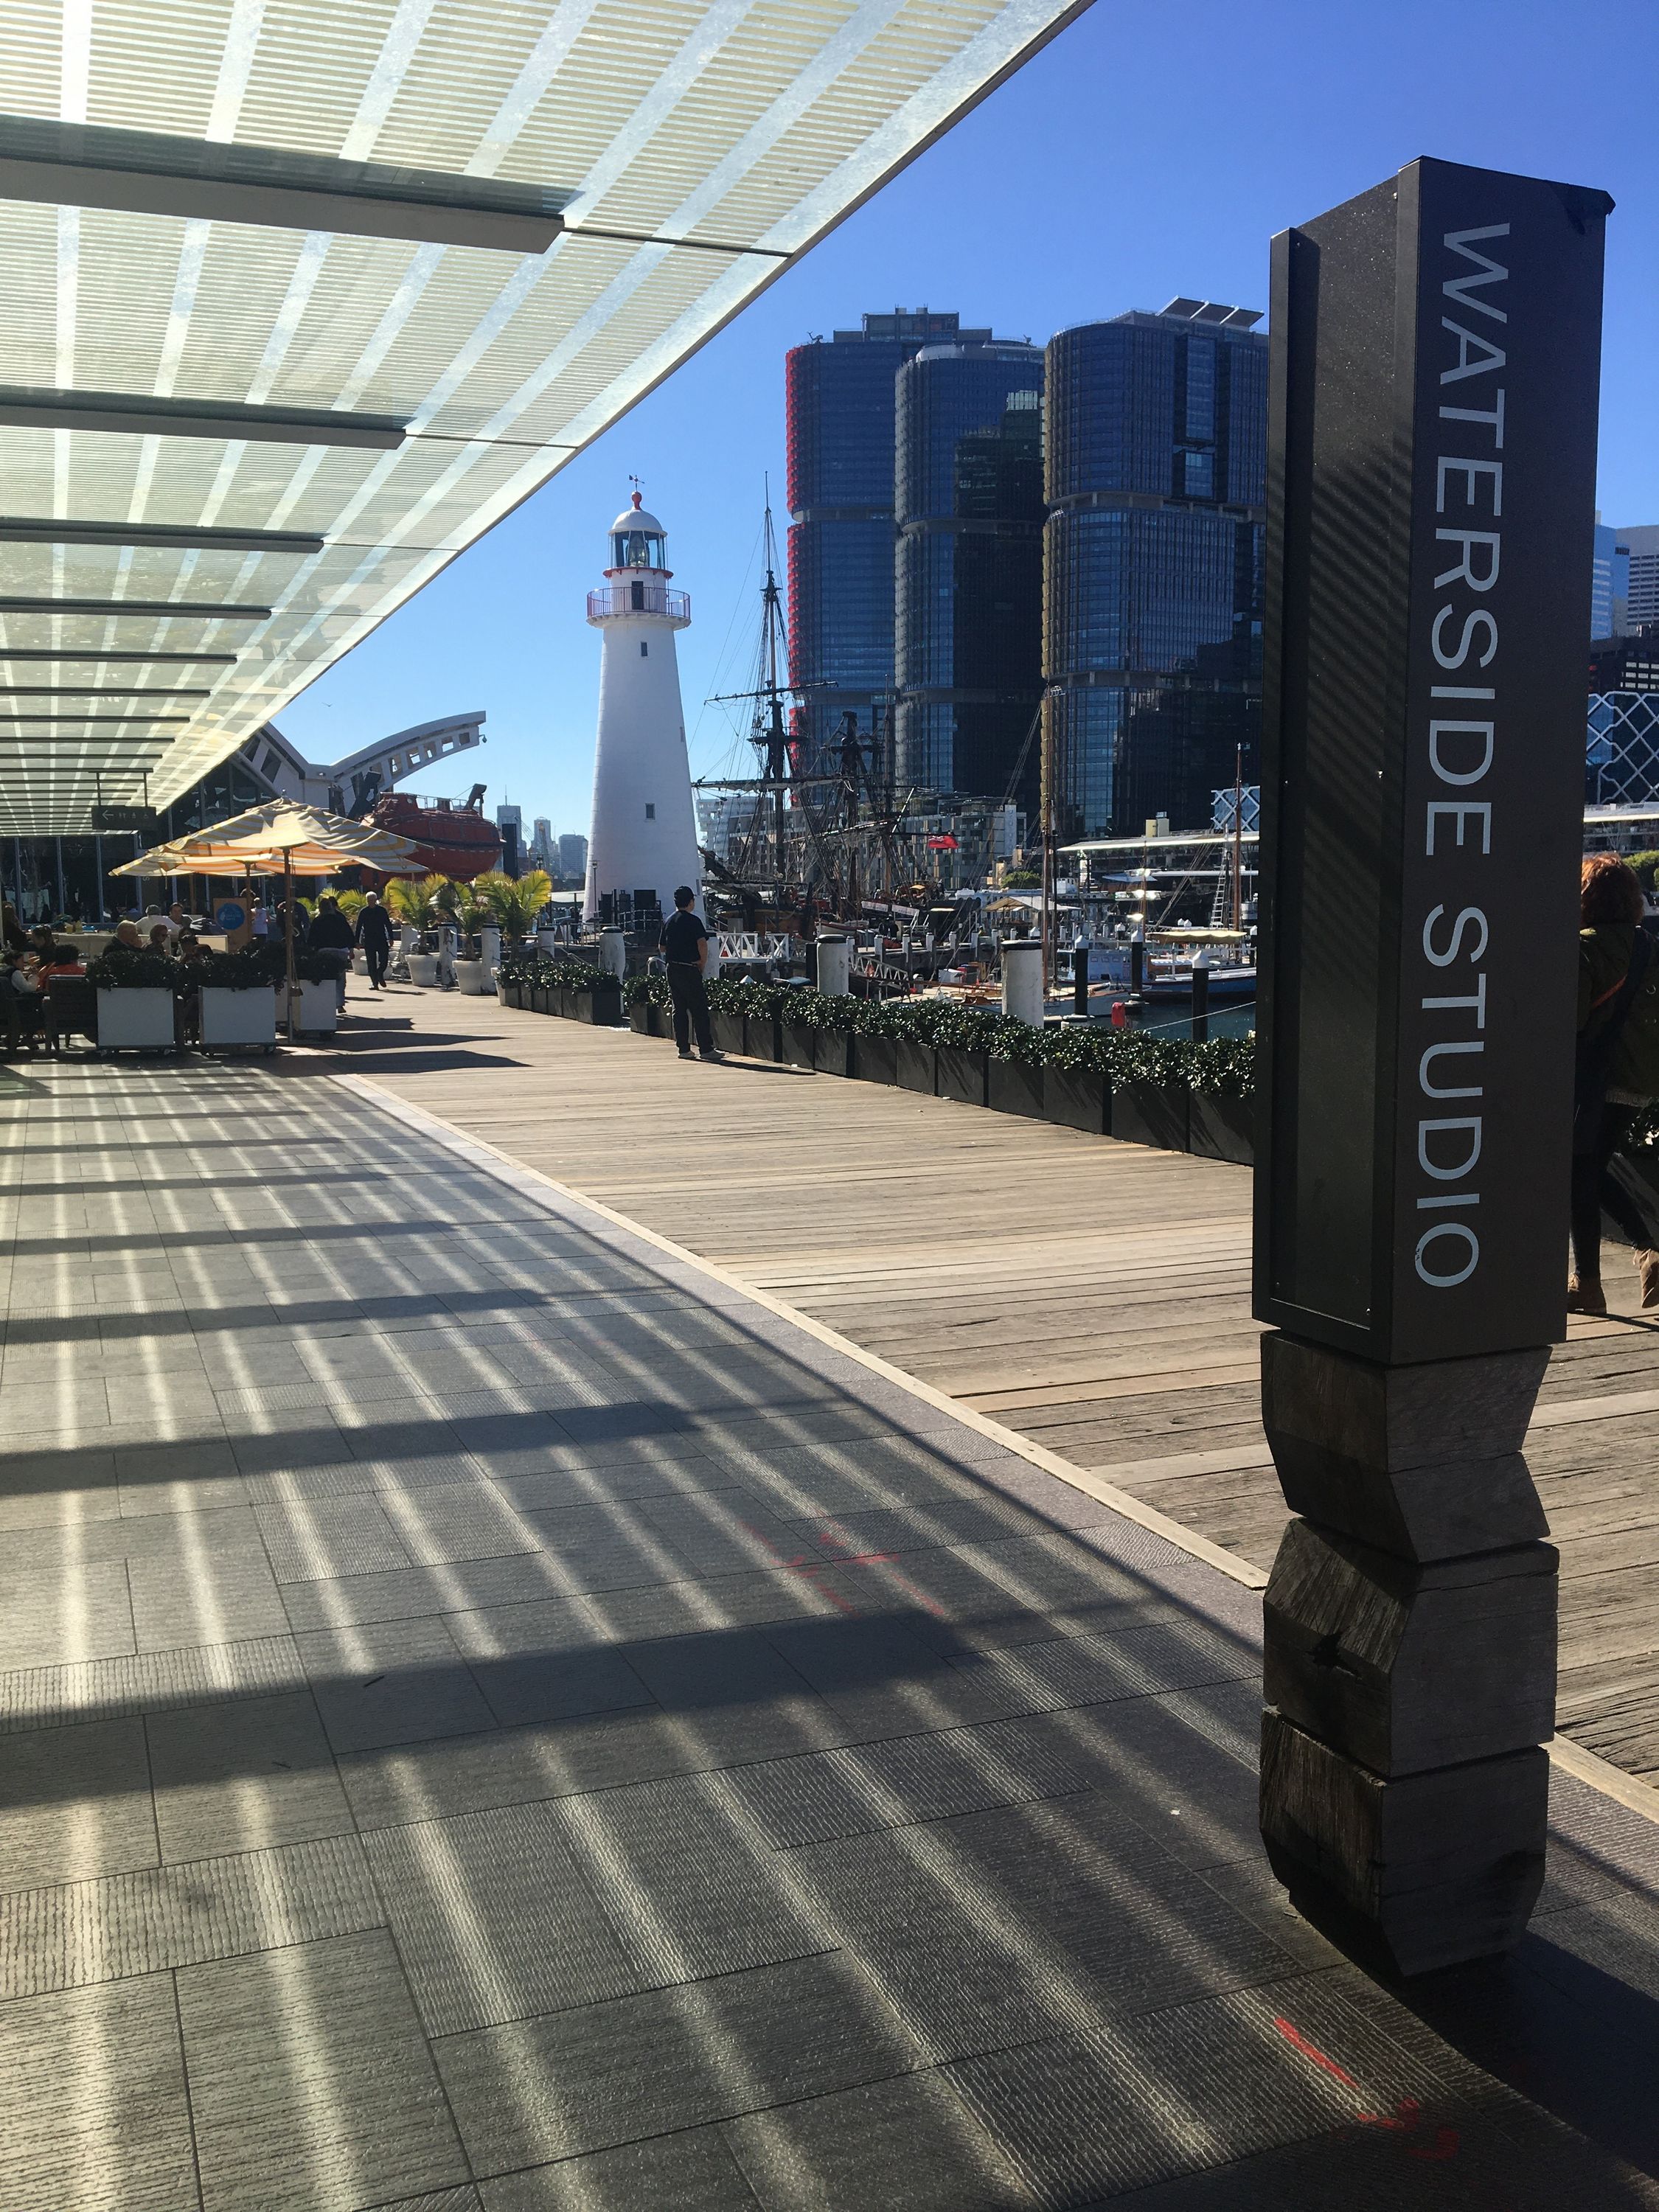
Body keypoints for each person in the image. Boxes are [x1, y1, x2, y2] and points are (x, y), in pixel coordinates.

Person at [1570, 853, 1659, 1314]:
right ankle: (1648, 1253)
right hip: (1640, 1081)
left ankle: (1587, 1284)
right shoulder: (1648, 945)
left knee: (1578, 1172)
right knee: (1589, 1167)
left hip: (1597, 1080)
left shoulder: (1585, 946)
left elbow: (1572, 1020)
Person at [658, 884, 722, 1062]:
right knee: (699, 1009)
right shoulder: (694, 921)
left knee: (679, 1009)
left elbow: (662, 947)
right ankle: (706, 1048)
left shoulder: (669, 921)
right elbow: (702, 943)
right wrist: (702, 962)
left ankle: (684, 1048)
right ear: (691, 902)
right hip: (689, 967)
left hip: (672, 967)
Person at [306, 891, 356, 1012]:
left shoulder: (318, 921)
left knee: (325, 978)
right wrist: (351, 949)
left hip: (324, 951)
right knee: (340, 978)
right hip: (341, 951)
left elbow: (312, 939)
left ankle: (327, 1002)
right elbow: (349, 934)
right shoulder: (340, 919)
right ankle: (339, 1004)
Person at [354, 890, 394, 990]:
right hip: (369, 940)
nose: (371, 902)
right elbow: (358, 927)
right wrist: (357, 941)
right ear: (367, 901)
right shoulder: (364, 912)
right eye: (369, 900)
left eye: (373, 900)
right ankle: (374, 983)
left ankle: (380, 973)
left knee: (384, 961)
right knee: (371, 963)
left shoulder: (382, 910)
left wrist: (391, 937)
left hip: (381, 939)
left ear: (376, 900)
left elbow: (388, 924)